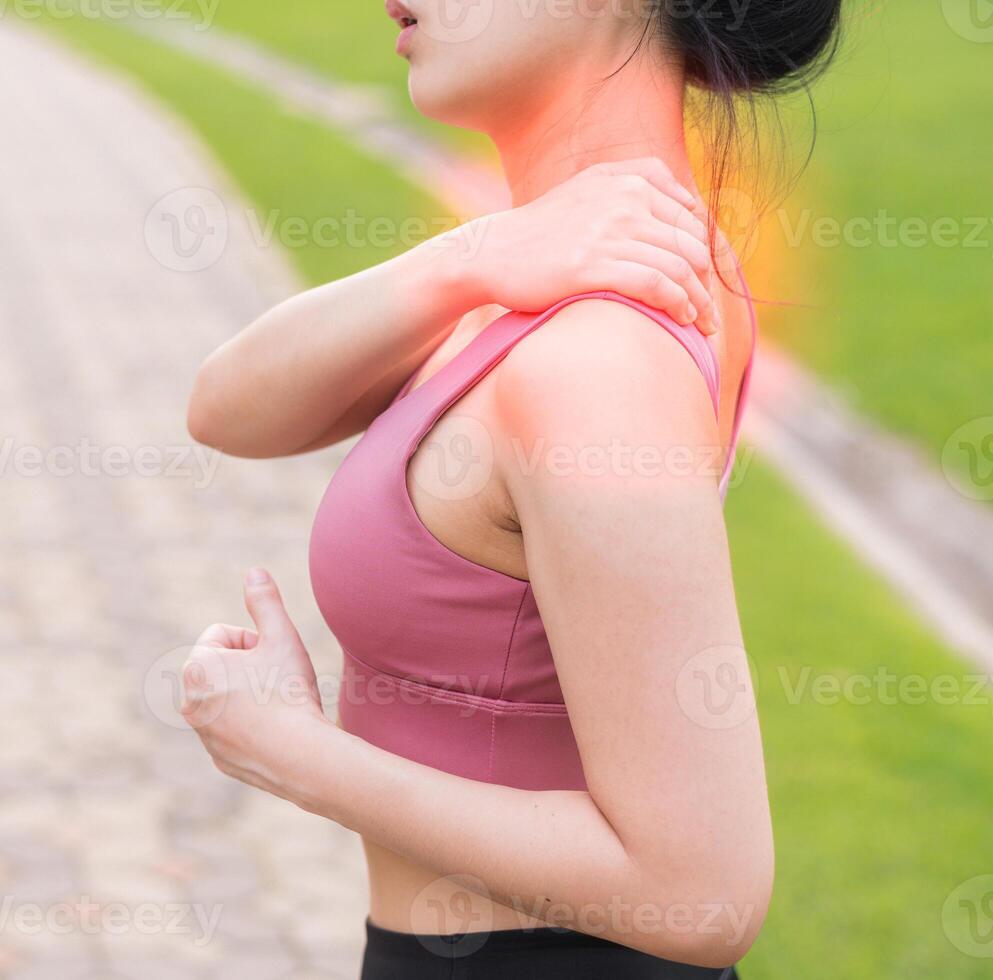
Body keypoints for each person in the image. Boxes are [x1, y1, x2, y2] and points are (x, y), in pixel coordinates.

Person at [181, 2, 842, 976]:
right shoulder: (554, 262)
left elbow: (703, 891)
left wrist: (288, 748)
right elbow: (229, 408)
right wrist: (473, 253)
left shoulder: (597, 352)